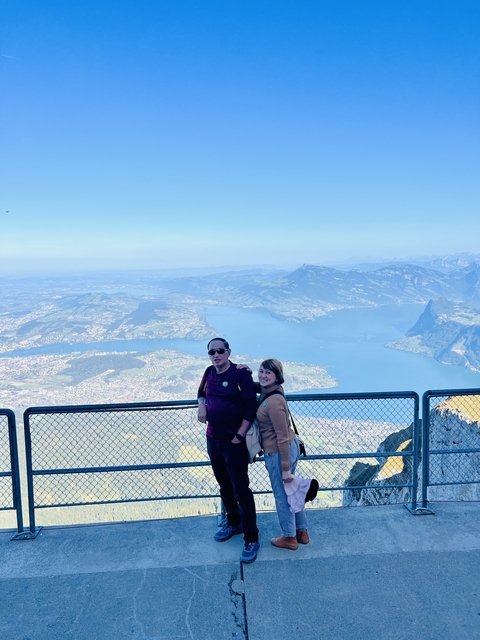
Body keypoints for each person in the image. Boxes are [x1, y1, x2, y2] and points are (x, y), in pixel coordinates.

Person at [197, 338, 260, 563]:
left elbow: (251, 405)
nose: (216, 355)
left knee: (241, 489)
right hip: (213, 440)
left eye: (220, 351)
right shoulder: (208, 373)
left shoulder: (240, 374)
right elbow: (201, 393)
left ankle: (252, 537)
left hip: (234, 443)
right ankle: (234, 522)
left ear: (228, 352)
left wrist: (239, 436)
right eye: (212, 352)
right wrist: (201, 405)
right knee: (224, 485)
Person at [256, 358, 313, 550]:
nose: (263, 375)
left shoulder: (273, 402)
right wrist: (243, 376)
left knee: (283, 496)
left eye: (268, 373)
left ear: (277, 376)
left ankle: (289, 538)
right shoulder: (273, 390)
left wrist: (285, 470)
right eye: (261, 371)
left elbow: (280, 437)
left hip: (280, 453)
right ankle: (301, 531)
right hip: (288, 447)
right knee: (292, 492)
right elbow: (260, 387)